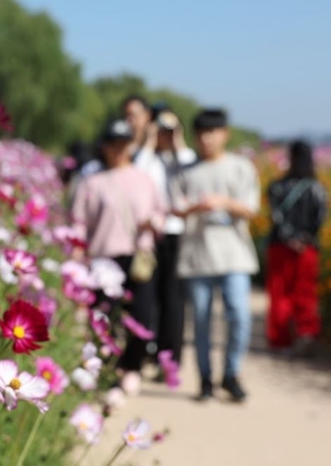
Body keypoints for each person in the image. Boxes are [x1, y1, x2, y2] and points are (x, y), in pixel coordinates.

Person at [172, 109, 260, 402]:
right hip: (198, 256)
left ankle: (231, 373)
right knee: (200, 319)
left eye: (213, 132)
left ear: (225, 134)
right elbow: (174, 207)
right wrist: (194, 207)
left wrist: (223, 202)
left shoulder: (241, 167)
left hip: (235, 254)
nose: (207, 139)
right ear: (195, 137)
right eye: (202, 133)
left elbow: (251, 209)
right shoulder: (185, 171)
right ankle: (206, 379)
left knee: (239, 316)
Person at [72, 119, 166, 393]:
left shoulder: (143, 179)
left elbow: (161, 212)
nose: (118, 151)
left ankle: (132, 366)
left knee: (141, 315)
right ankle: (104, 367)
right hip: (102, 257)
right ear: (104, 147)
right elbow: (78, 221)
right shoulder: (91, 182)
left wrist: (154, 223)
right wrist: (78, 254)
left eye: (124, 145)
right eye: (114, 145)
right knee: (102, 316)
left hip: (137, 257)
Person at [133, 108, 197, 368]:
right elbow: (136, 173)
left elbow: (191, 168)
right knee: (146, 298)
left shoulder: (183, 158)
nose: (165, 135)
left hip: (176, 232)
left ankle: (169, 357)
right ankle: (143, 351)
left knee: (173, 300)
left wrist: (178, 139)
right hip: (150, 233)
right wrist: (149, 142)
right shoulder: (148, 158)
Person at [266, 140, 326, 355]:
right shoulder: (317, 188)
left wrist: (290, 237)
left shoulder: (277, 186)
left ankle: (280, 340)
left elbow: (277, 217)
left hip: (280, 247)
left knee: (280, 293)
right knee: (305, 292)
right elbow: (320, 218)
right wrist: (304, 238)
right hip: (307, 249)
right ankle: (306, 332)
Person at [122, 95, 153, 160]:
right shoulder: (118, 151)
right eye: (126, 116)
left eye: (134, 115)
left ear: (148, 116)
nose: (129, 121)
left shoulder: (159, 147)